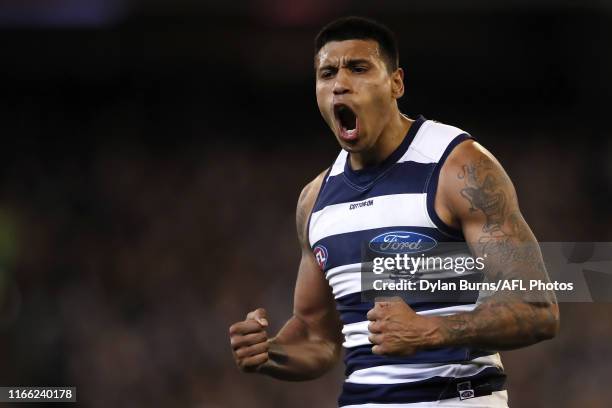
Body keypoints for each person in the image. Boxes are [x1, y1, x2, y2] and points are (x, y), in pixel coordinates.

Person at [229, 16, 559, 407]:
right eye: (327, 73)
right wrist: (269, 353)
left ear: (396, 83)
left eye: (359, 68)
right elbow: (317, 338)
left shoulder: (458, 168)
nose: (341, 83)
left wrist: (432, 330)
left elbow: (537, 308)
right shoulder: (315, 200)